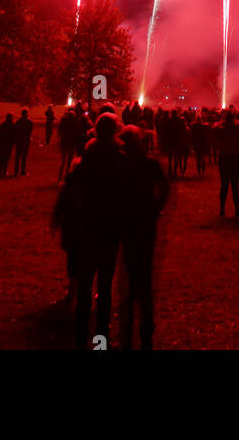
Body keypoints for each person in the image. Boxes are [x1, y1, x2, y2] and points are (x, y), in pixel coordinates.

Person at [75, 113, 130, 349]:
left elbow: (76, 191)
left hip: (88, 225)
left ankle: (80, 326)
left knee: (85, 280)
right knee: (105, 282)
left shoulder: (87, 157)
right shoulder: (120, 158)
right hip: (109, 227)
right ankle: (102, 331)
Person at [118, 125, 170, 349]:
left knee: (128, 276)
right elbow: (165, 188)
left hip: (130, 224)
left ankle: (129, 327)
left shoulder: (122, 166)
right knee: (144, 277)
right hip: (144, 224)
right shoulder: (148, 164)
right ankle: (145, 327)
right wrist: (156, 208)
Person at [214, 109, 239, 217]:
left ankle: (222, 208)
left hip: (225, 156)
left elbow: (215, 134)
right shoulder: (237, 127)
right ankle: (236, 208)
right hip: (235, 156)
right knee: (235, 185)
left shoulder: (221, 128)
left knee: (224, 184)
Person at [58, 106, 77, 179]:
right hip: (71, 143)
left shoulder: (64, 122)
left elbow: (60, 131)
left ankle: (60, 177)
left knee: (63, 162)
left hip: (64, 143)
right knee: (69, 161)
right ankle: (67, 176)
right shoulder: (74, 123)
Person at [14, 109, 34, 176]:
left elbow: (16, 131)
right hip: (25, 140)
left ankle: (16, 171)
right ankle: (22, 171)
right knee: (24, 156)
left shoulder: (18, 122)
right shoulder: (29, 122)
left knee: (18, 156)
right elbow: (30, 131)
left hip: (19, 140)